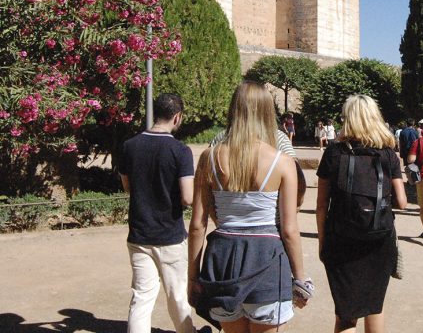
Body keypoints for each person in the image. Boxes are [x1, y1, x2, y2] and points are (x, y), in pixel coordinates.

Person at [187, 82, 312, 332]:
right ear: (267, 112)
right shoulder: (282, 162)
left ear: (233, 110)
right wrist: (300, 279)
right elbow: (289, 229)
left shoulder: (208, 157)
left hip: (221, 260)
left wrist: (193, 277)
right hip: (266, 258)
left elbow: (197, 226)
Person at [316, 95, 407, 333]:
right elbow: (403, 202)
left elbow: (321, 205)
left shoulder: (334, 153)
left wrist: (323, 241)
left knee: (346, 314)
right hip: (379, 238)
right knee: (375, 307)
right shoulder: (388, 154)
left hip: (341, 238)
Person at [120, 93, 196, 333]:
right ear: (177, 117)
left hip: (140, 233)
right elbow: (187, 197)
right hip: (169, 235)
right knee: (177, 296)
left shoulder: (129, 146)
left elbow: (127, 186)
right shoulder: (180, 151)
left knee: (141, 297)